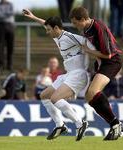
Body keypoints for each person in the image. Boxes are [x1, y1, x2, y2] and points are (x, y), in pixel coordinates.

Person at [23, 9, 95, 141]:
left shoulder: (69, 36)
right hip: (69, 74)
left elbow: (88, 42)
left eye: (49, 30)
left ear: (56, 28)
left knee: (55, 98)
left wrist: (93, 54)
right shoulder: (57, 37)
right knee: (44, 95)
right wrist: (33, 17)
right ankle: (60, 125)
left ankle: (80, 123)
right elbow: (46, 23)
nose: (47, 32)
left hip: (79, 74)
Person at [69, 6, 123, 140]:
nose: (75, 26)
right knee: (89, 97)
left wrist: (87, 50)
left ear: (82, 19)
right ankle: (114, 124)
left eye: (76, 23)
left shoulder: (98, 26)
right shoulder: (86, 29)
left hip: (112, 62)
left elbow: (108, 54)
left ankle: (116, 124)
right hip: (101, 63)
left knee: (93, 92)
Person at [0, 0, 14, 71]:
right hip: (0, 26)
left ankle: (9, 65)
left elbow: (11, 13)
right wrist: (6, 14)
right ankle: (0, 65)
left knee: (10, 46)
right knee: (0, 46)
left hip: (10, 26)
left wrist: (3, 14)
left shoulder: (10, 4)